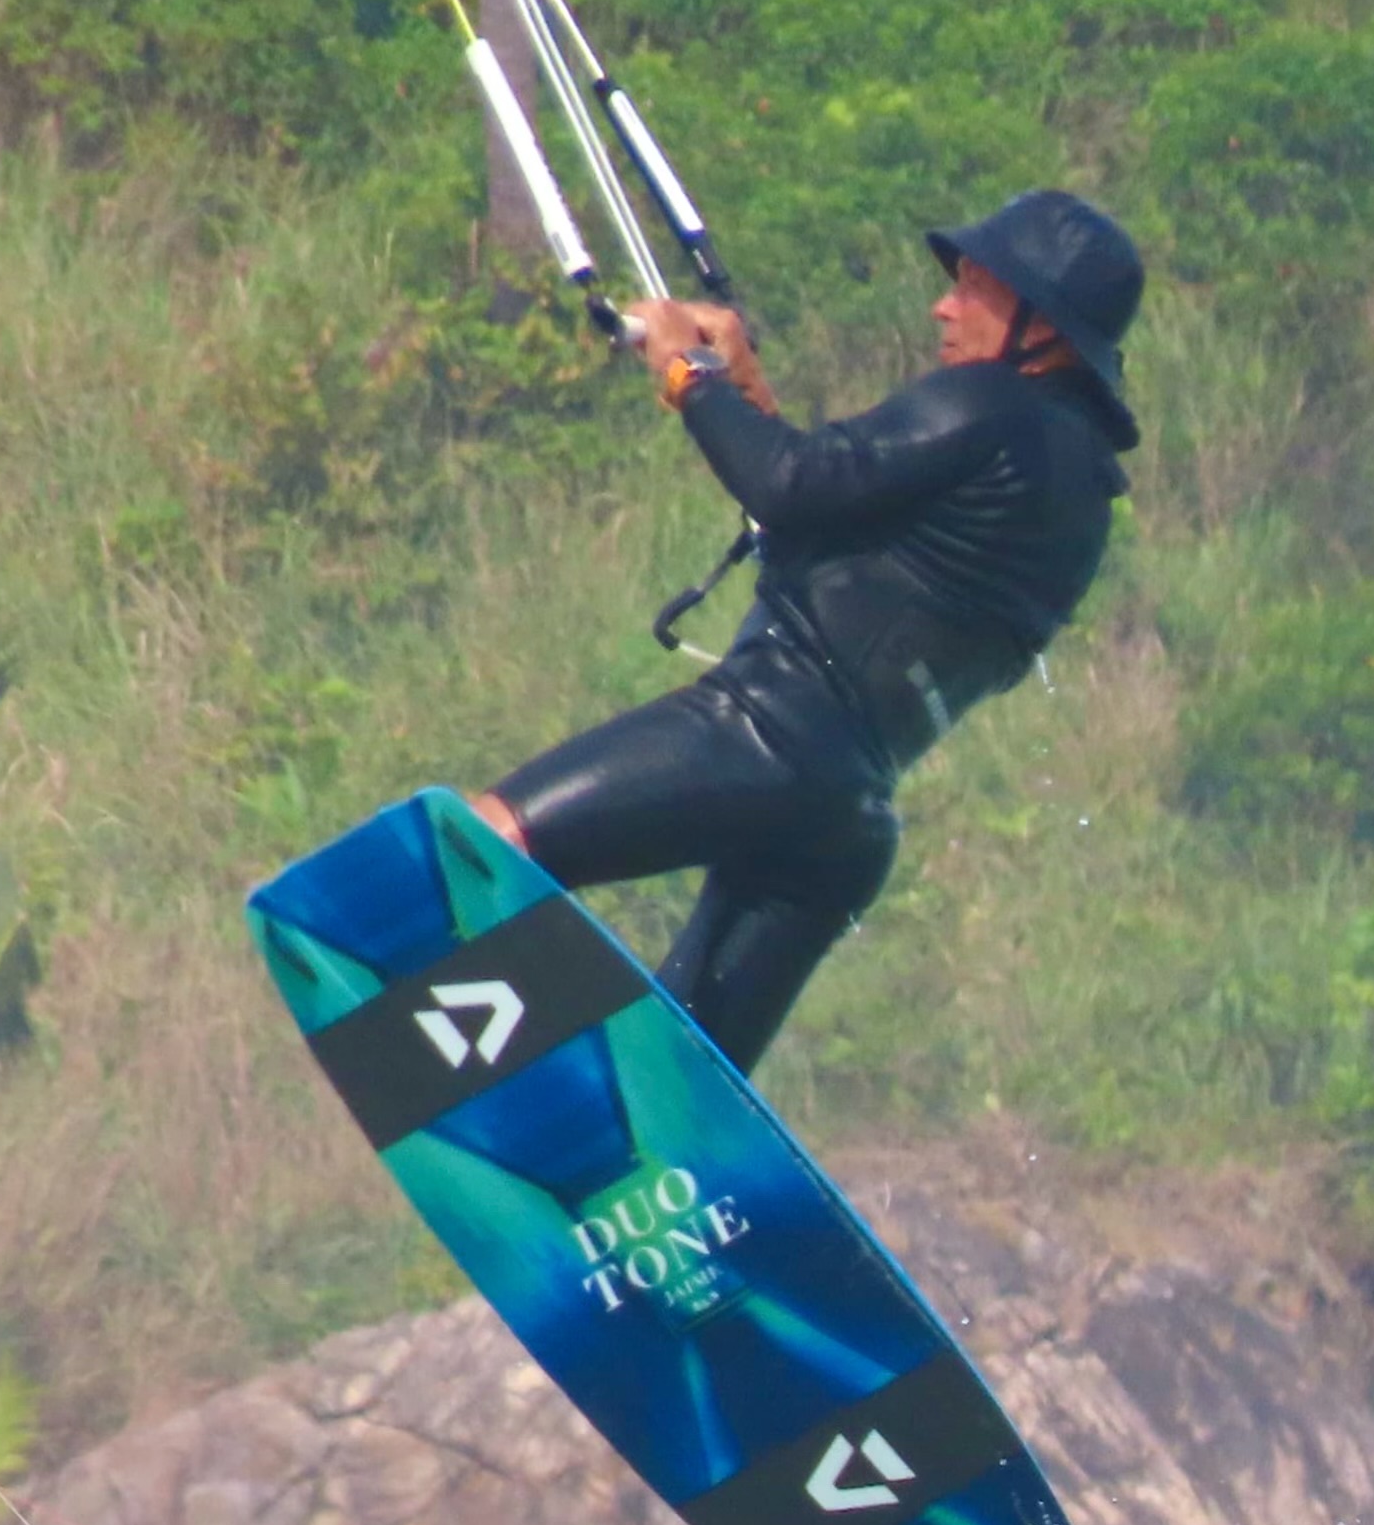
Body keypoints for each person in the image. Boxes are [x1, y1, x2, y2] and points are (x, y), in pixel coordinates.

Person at [473, 188, 1144, 1076]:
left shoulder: (991, 403)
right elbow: (825, 511)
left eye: (973, 290)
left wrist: (686, 371)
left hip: (760, 734)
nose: (944, 307)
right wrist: (739, 382)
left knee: (487, 843)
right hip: (843, 824)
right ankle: (614, 1134)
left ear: (1042, 325)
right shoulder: (1080, 490)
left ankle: (435, 1022)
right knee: (685, 1083)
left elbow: (786, 485)